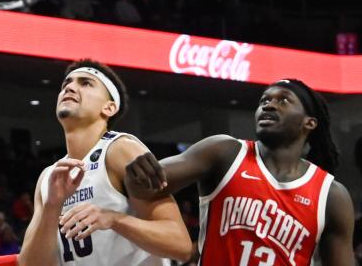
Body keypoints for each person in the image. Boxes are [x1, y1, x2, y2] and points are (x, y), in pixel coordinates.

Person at [124, 78, 355, 265]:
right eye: (265, 100)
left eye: (284, 100)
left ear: (309, 123)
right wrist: (138, 173)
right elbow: (144, 187)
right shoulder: (225, 152)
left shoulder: (331, 195)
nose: (269, 104)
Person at [20, 61, 192, 266]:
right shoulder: (49, 177)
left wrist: (113, 219)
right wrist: (51, 207)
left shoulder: (120, 151)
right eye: (67, 82)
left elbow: (181, 245)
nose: (70, 87)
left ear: (109, 107)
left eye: (86, 83)